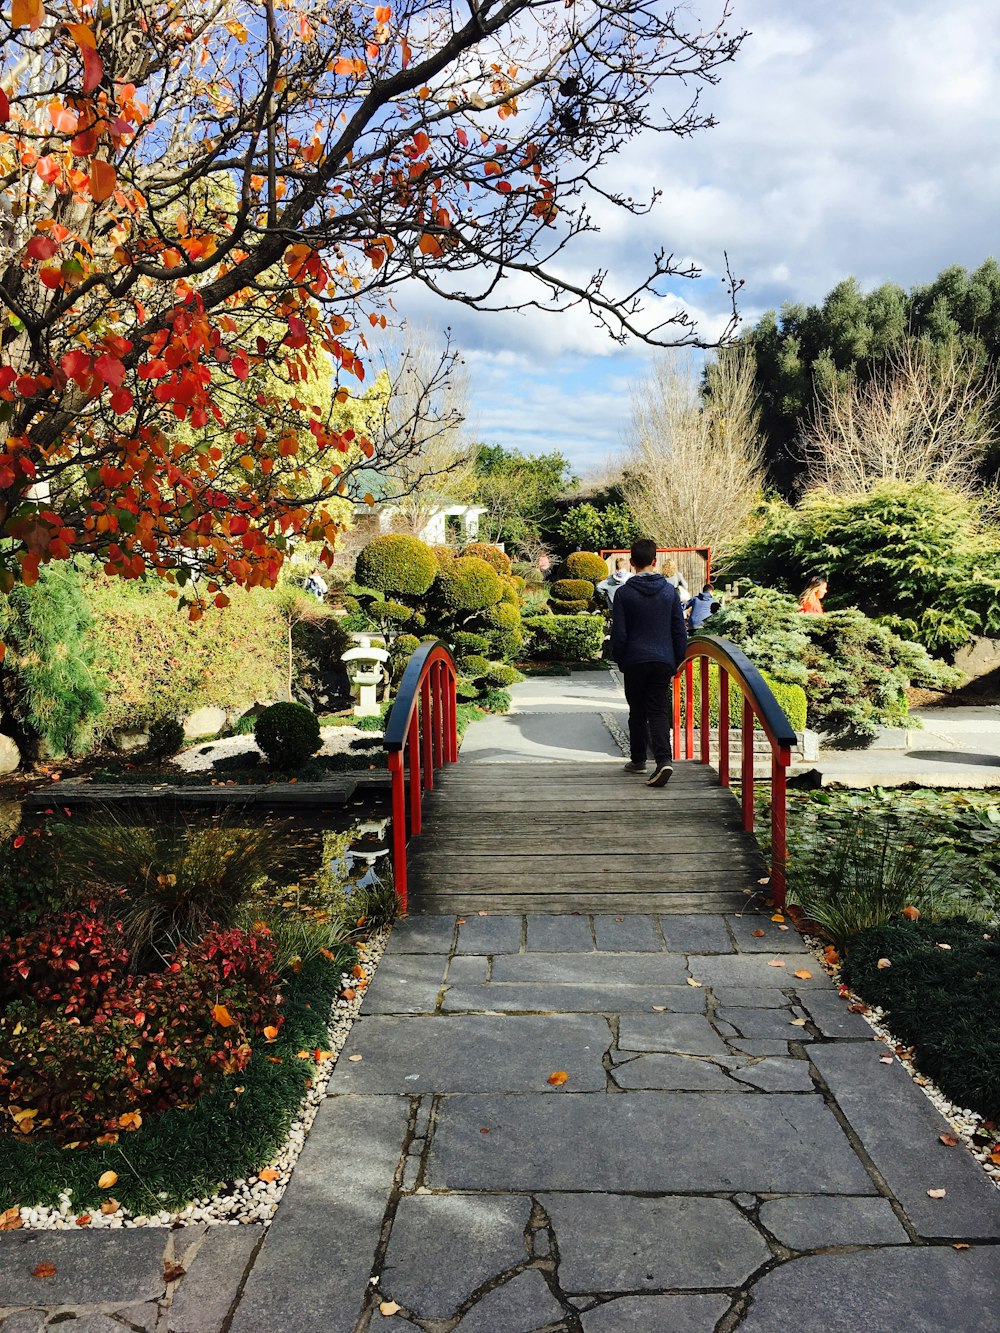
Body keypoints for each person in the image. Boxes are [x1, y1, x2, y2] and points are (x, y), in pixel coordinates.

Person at [611, 537, 688, 787]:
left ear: (632, 562)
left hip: (634, 659)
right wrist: (678, 659)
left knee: (637, 710)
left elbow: (619, 633)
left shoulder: (623, 593)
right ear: (655, 562)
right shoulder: (669, 591)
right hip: (663, 659)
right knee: (657, 710)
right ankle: (664, 760)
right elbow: (679, 629)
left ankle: (638, 760)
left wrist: (620, 659)